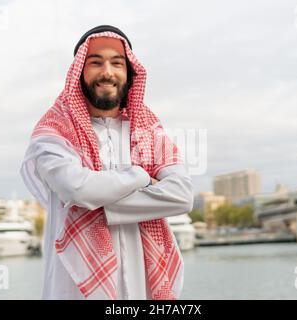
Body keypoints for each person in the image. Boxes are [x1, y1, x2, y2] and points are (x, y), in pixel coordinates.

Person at [20, 25, 193, 300]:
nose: (107, 72)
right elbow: (77, 190)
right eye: (96, 62)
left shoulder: (149, 131)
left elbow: (182, 196)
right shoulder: (52, 133)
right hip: (73, 291)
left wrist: (94, 201)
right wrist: (142, 177)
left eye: (117, 63)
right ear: (78, 72)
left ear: (129, 72)